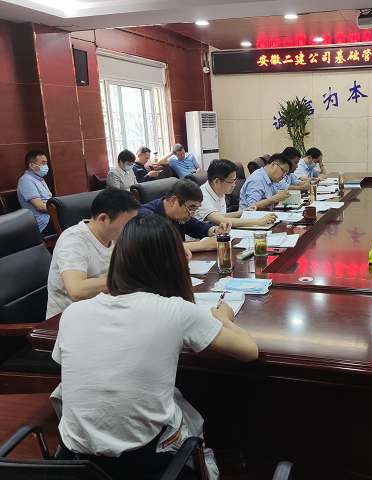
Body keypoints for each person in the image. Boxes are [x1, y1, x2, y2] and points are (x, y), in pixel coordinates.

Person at [51, 213, 258, 480]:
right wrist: (223, 320)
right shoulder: (176, 310)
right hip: (142, 464)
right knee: (186, 408)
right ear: (174, 261)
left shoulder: (73, 313)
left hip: (73, 463)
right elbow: (249, 351)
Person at [46, 188, 141, 319]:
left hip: (104, 309)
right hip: (69, 320)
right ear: (103, 219)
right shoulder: (73, 239)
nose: (130, 231)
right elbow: (76, 290)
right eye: (126, 225)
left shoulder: (114, 237)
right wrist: (127, 282)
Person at [139, 178, 231, 252]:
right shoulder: (145, 216)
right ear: (173, 201)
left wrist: (216, 230)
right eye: (190, 209)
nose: (192, 215)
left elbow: (198, 227)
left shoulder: (179, 215)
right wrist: (202, 245)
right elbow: (159, 247)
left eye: (195, 210)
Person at [195, 159, 277, 227]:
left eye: (234, 181)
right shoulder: (203, 197)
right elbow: (221, 221)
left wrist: (243, 212)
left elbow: (221, 215)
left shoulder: (219, 191)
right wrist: (258, 221)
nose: (234, 185)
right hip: (203, 239)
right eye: (231, 182)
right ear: (217, 181)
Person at [17, 150, 55, 236]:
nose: (46, 166)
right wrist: (60, 209)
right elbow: (39, 206)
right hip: (43, 222)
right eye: (43, 163)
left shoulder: (39, 179)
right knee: (73, 222)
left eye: (46, 163)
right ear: (32, 166)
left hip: (50, 216)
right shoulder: (26, 180)